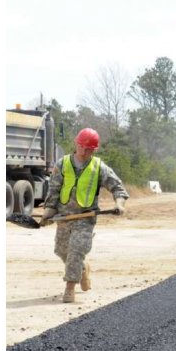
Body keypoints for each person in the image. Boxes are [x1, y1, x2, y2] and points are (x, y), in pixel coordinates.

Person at [40, 128, 130, 302]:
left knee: (76, 250)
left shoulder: (98, 167)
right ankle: (82, 269)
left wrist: (119, 204)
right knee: (61, 251)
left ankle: (69, 287)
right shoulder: (63, 164)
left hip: (86, 218)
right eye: (83, 147)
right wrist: (48, 213)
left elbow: (118, 187)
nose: (85, 151)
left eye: (90, 149)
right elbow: (54, 191)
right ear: (77, 144)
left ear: (94, 150)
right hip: (64, 217)